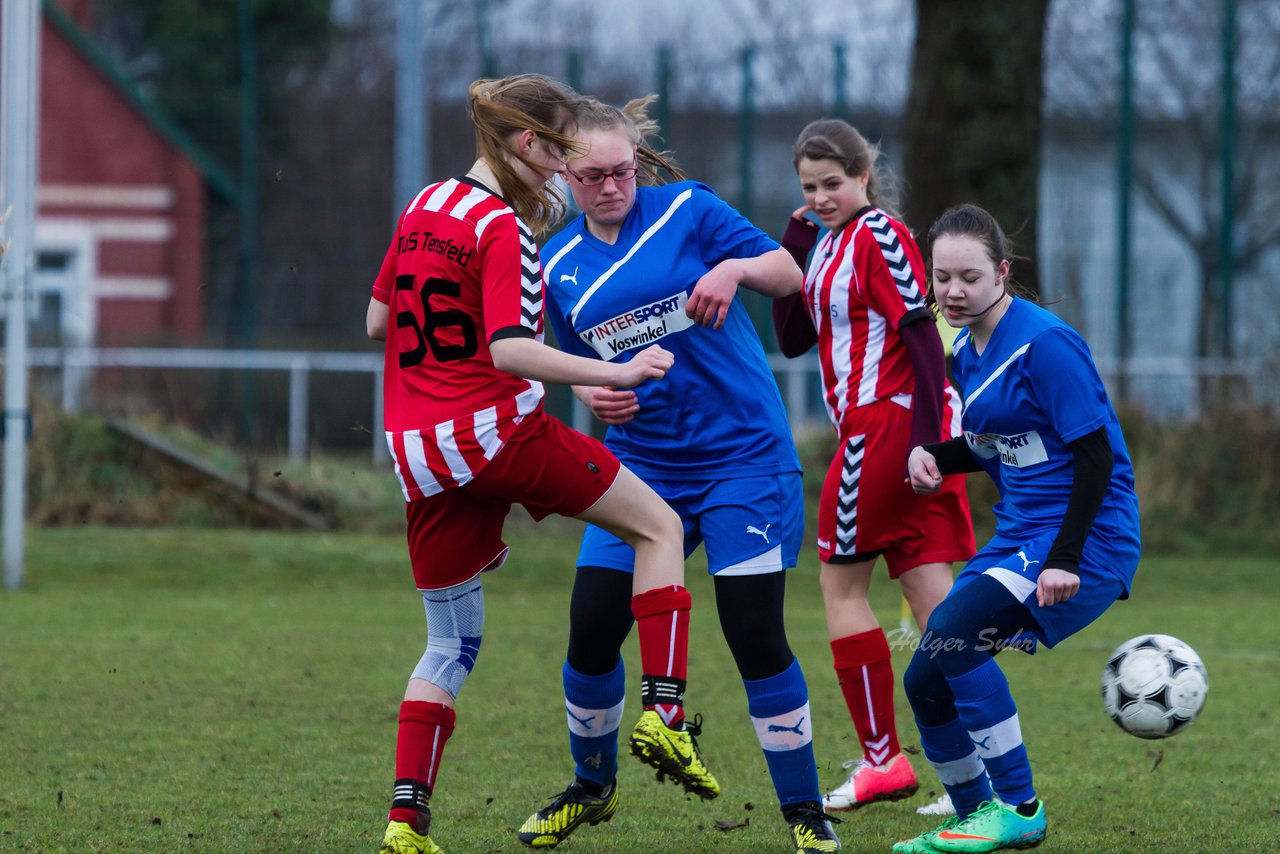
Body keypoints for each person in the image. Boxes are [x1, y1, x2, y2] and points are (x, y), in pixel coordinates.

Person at [365, 74, 717, 854]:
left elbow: (376, 318)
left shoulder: (425, 205)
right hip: (493, 433)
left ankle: (404, 821)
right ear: (527, 143)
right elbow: (510, 349)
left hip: (419, 450)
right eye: (559, 154)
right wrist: (612, 373)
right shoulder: (502, 228)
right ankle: (663, 716)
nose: (564, 170)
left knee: (450, 643)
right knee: (658, 525)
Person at [516, 96, 841, 854]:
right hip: (644, 464)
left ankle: (805, 815)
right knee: (591, 633)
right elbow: (565, 364)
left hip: (743, 460)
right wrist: (591, 391)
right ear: (564, 172)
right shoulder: (556, 262)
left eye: (623, 170)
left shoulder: (687, 211)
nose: (611, 186)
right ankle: (591, 789)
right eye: (593, 175)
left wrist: (732, 269)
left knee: (754, 634)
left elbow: (789, 271)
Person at [891, 204, 1141, 853]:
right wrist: (934, 458)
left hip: (1082, 538)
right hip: (1021, 534)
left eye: (969, 277)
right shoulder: (965, 349)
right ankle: (975, 815)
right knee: (926, 674)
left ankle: (1021, 806)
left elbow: (1095, 457)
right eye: (942, 276)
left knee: (951, 634)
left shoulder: (1046, 343)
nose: (952, 291)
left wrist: (1065, 558)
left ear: (1002, 271)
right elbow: (996, 444)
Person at [772, 119, 976, 814]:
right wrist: (797, 241)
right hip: (894, 429)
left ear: (864, 175)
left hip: (887, 427)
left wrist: (924, 439)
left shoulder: (878, 234)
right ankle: (975, 774)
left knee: (841, 588)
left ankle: (883, 761)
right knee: (931, 598)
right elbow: (795, 337)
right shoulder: (828, 243)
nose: (822, 196)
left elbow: (920, 332)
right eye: (810, 187)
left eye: (833, 183)